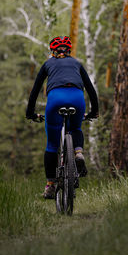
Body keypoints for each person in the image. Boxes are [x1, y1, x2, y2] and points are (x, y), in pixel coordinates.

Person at [26, 36, 99, 199]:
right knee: (76, 128)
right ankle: (78, 152)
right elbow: (91, 90)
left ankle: (50, 186)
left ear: (53, 51)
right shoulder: (77, 63)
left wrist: (30, 113)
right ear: (69, 51)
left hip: (55, 99)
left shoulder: (48, 64)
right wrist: (94, 112)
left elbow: (35, 91)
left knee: (52, 145)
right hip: (77, 98)